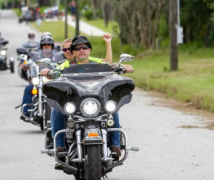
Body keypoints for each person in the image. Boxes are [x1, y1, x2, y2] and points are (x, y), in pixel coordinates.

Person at [40, 35, 134, 168]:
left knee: (112, 109)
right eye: (77, 48)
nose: (81, 50)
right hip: (75, 102)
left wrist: (123, 65)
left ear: (89, 50)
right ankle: (60, 147)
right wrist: (48, 71)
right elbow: (55, 72)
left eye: (84, 47)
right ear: (73, 52)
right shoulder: (66, 64)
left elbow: (109, 64)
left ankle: (115, 144)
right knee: (56, 109)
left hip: (94, 100)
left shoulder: (96, 62)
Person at [20, 35, 60, 118]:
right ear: (41, 46)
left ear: (52, 46)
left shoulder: (56, 56)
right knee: (29, 88)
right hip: (39, 80)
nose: (46, 47)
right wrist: (25, 66)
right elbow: (29, 63)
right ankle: (26, 111)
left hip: (52, 80)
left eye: (48, 45)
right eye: (44, 45)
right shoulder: (36, 55)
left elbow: (61, 64)